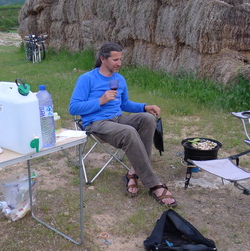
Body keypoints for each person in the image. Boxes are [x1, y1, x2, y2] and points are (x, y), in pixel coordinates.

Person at [69, 42, 177, 207]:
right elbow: (74, 108)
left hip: (117, 119)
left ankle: (133, 172)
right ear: (103, 59)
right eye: (115, 59)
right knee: (128, 132)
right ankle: (154, 184)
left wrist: (145, 107)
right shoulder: (87, 79)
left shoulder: (119, 79)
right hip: (97, 123)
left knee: (147, 119)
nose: (119, 63)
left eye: (120, 59)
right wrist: (100, 100)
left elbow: (124, 104)